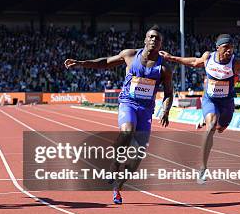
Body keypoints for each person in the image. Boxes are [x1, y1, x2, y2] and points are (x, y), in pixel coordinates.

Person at [65, 26, 174, 204]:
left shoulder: (164, 69)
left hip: (146, 110)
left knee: (138, 155)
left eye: (157, 39)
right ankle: (113, 165)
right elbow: (105, 62)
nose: (154, 40)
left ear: (161, 44)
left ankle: (118, 186)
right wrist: (81, 63)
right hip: (128, 103)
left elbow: (169, 93)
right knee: (126, 132)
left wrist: (166, 111)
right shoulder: (130, 55)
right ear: (145, 40)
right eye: (151, 37)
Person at [160, 34, 240, 184]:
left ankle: (207, 120)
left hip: (227, 102)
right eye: (226, 48)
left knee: (220, 128)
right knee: (211, 126)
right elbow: (194, 62)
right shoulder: (208, 57)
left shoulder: (236, 63)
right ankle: (202, 168)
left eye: (231, 48)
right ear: (218, 48)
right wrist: (172, 58)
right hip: (210, 100)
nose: (229, 51)